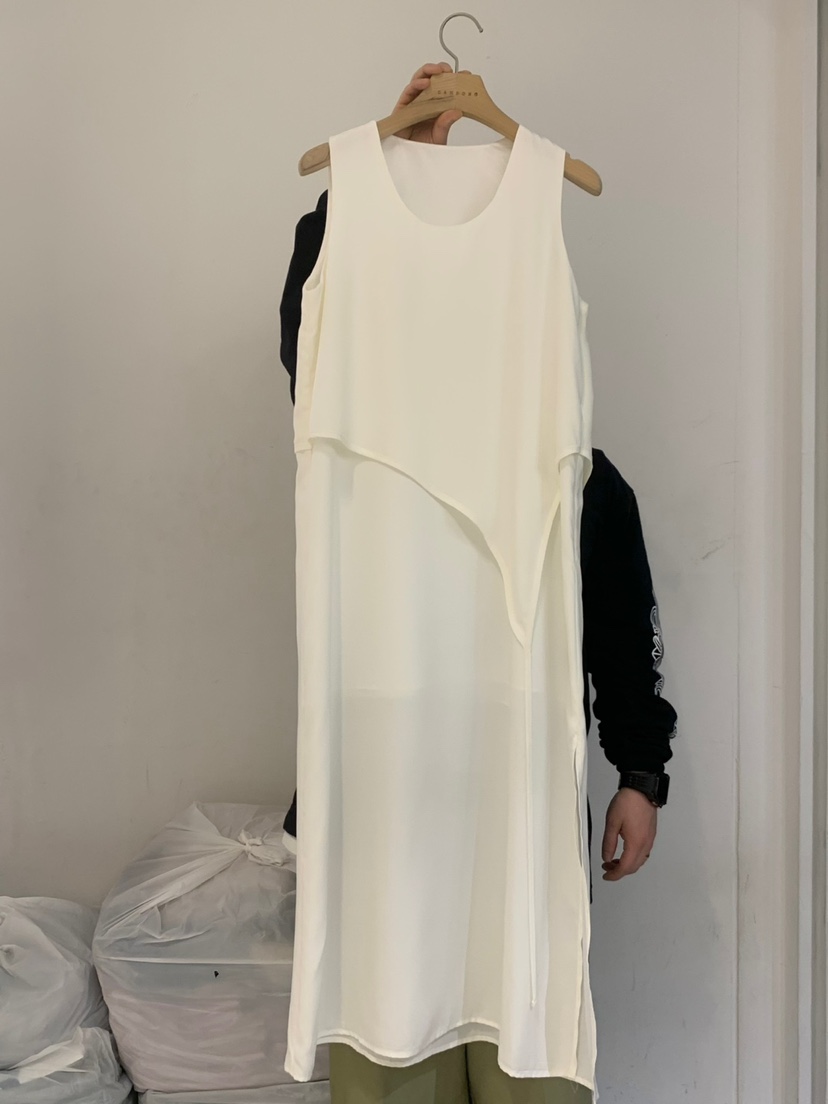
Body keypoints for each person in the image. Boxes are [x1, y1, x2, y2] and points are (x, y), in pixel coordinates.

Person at [278, 62, 679, 1104]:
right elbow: (311, 342)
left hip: (515, 798)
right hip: (384, 802)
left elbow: (620, 628)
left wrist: (640, 771)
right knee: (389, 1045)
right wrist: (373, 177)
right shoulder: (357, 444)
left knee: (522, 1052)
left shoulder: (585, 485)